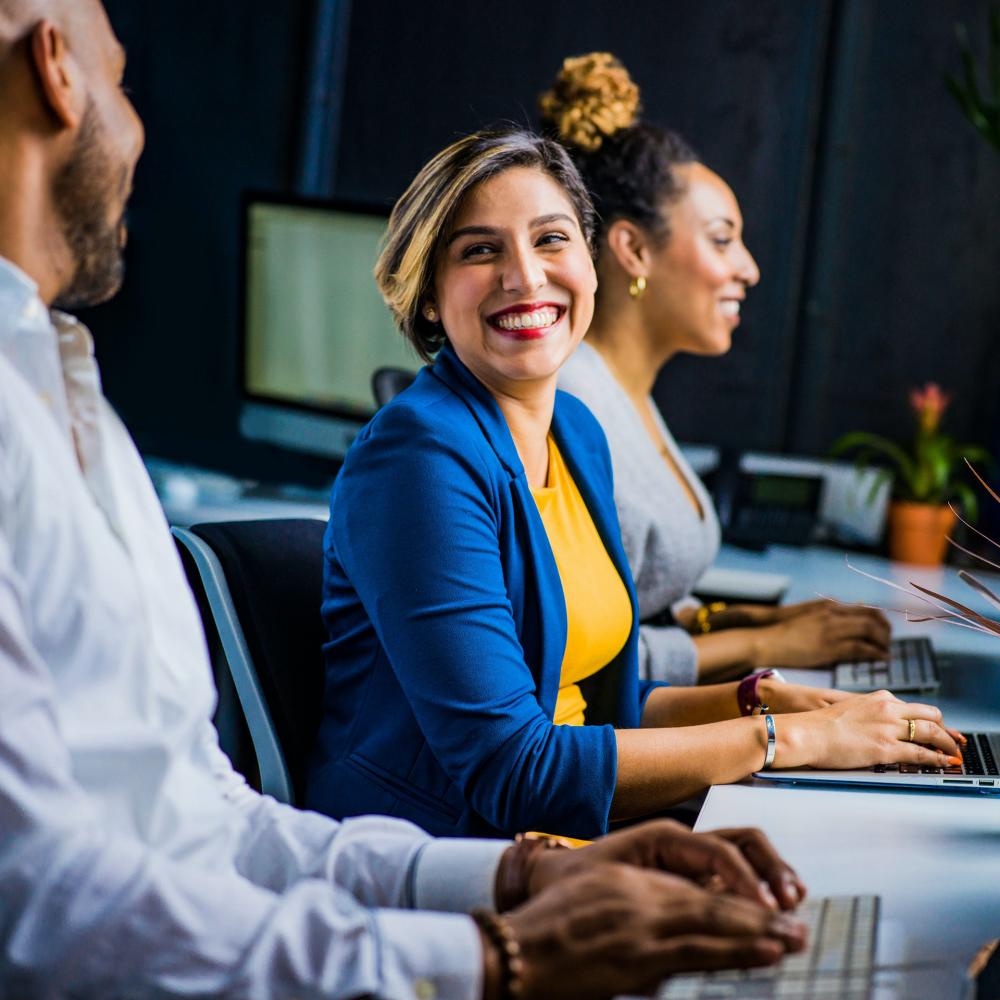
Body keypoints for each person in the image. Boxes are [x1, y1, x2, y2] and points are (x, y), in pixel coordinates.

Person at [0, 2, 820, 996]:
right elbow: (46, 904)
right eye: (123, 80)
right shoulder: (416, 455)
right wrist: (499, 947)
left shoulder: (67, 394)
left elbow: (206, 817)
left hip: (436, 892)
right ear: (55, 68)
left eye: (552, 240)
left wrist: (525, 879)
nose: (138, 129)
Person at [308, 125, 963, 844]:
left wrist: (759, 701)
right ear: (429, 296)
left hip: (571, 840)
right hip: (444, 862)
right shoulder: (418, 458)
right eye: (480, 250)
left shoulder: (577, 433)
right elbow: (512, 769)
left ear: (591, 263)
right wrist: (788, 739)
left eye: (551, 240)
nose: (525, 276)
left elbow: (600, 710)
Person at [544, 52, 894, 686]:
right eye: (722, 238)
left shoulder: (626, 395)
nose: (749, 268)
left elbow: (640, 604)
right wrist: (768, 645)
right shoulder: (573, 407)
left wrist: (753, 622)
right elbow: (580, 663)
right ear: (633, 248)